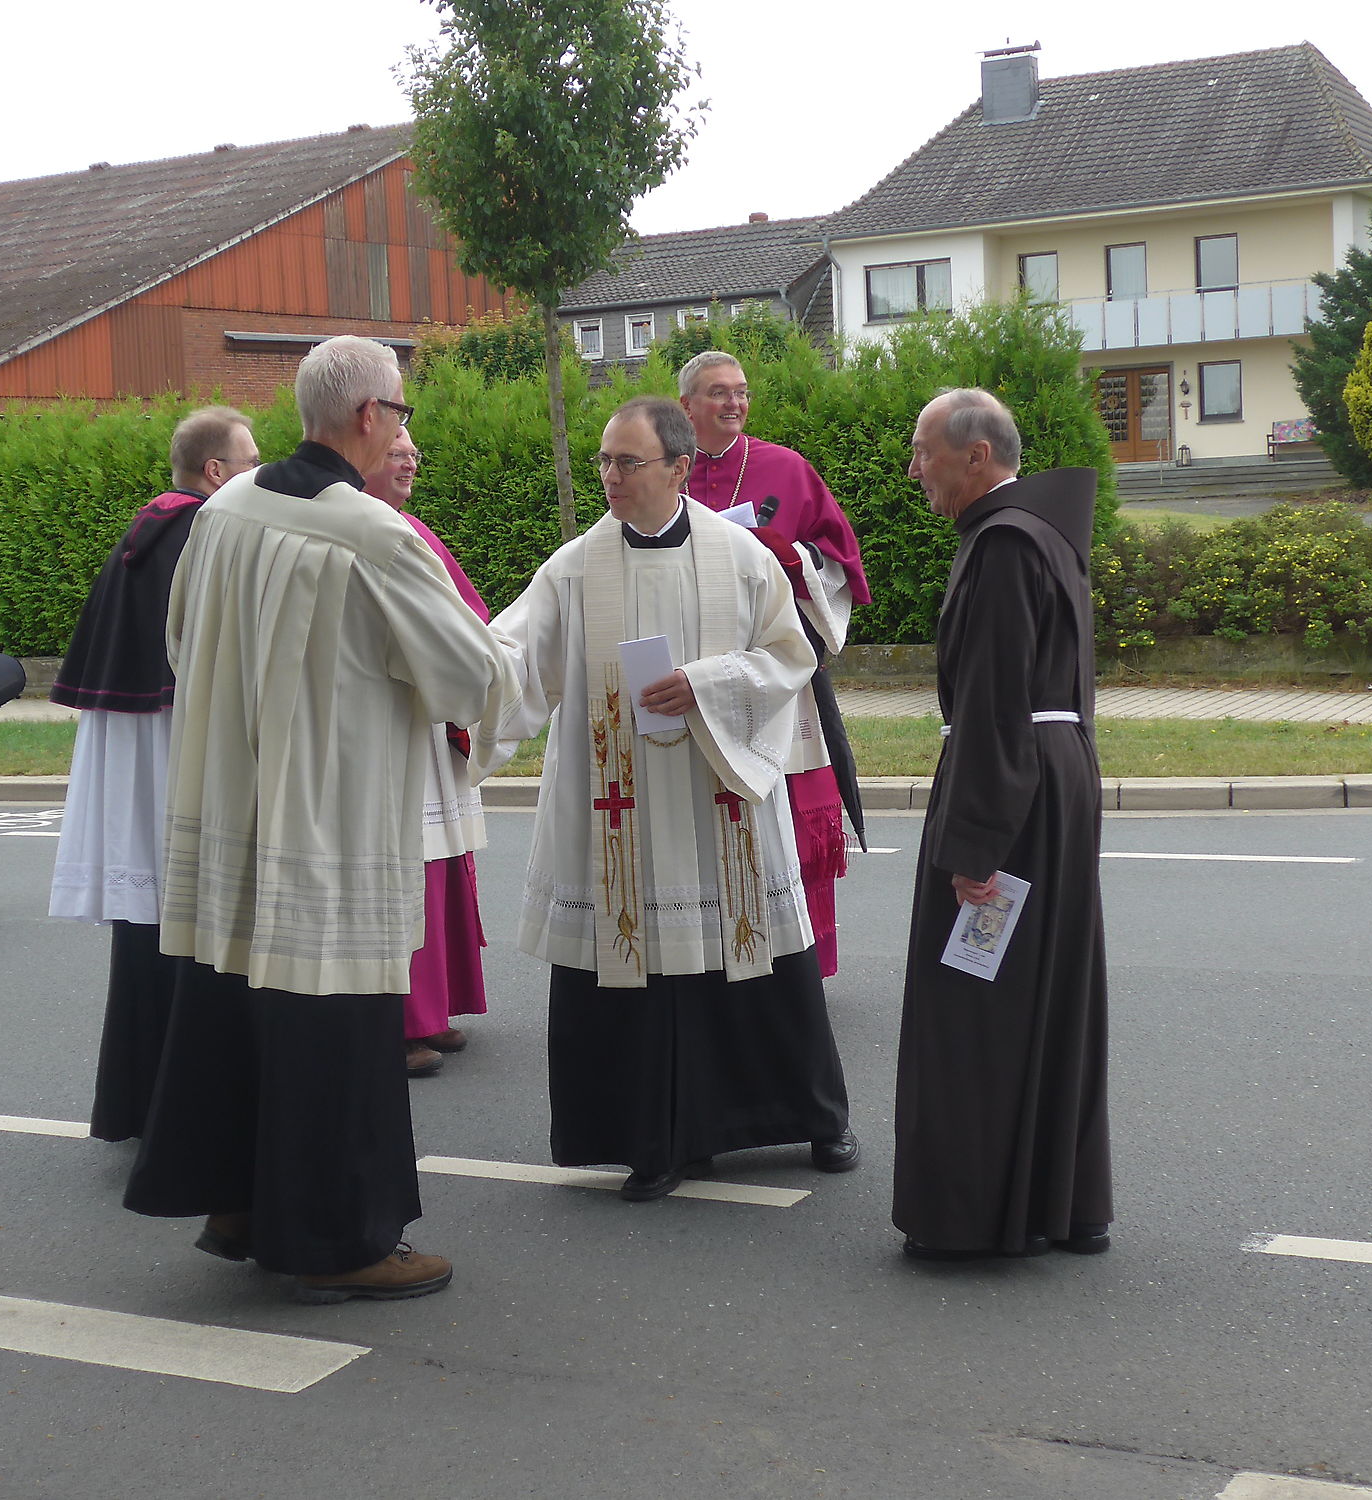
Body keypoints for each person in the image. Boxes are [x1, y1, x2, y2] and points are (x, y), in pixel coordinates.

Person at [124, 336, 515, 1304]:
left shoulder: (222, 511)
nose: (401, 429)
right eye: (401, 412)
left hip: (230, 802)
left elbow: (178, 636)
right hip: (328, 817)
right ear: (369, 417)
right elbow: (468, 677)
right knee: (333, 1025)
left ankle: (237, 1203)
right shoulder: (372, 535)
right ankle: (338, 1240)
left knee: (234, 1002)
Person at [475, 396, 858, 1204]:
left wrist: (709, 684)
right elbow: (514, 659)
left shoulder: (740, 556)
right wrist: (453, 692)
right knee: (634, 966)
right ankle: (652, 1139)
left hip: (720, 795)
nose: (610, 476)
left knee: (757, 957)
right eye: (604, 461)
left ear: (680, 468)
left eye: (628, 462)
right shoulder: (574, 567)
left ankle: (811, 1116)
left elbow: (791, 656)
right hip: (622, 808)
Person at [893, 387, 1112, 1261]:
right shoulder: (1046, 535)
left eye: (925, 452)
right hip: (1054, 779)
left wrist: (973, 846)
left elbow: (991, 699)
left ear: (976, 455)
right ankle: (1065, 1203)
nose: (915, 469)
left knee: (972, 1000)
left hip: (1008, 785)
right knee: (1048, 992)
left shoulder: (1003, 545)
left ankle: (974, 1217)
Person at [49, 406, 259, 1141]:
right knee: (192, 928)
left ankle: (134, 1104)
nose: (260, 473)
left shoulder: (149, 530)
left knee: (146, 935)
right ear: (215, 472)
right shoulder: (202, 532)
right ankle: (190, 1115)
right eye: (250, 461)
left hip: (135, 749)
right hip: (176, 745)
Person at [679, 350, 871, 977]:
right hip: (692, 667)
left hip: (773, 665)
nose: (734, 403)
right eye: (718, 392)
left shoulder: (786, 468)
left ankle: (797, 961)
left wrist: (791, 557)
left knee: (786, 811)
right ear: (687, 406)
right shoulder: (664, 469)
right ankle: (711, 954)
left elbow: (840, 564)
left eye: (741, 391)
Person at [360, 432, 491, 1079]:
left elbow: (467, 614)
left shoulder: (412, 529)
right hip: (383, 729)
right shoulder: (358, 529)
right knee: (404, 869)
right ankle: (396, 1021)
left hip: (427, 723)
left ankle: (431, 1008)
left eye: (414, 452)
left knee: (437, 865)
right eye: (397, 452)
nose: (410, 461)